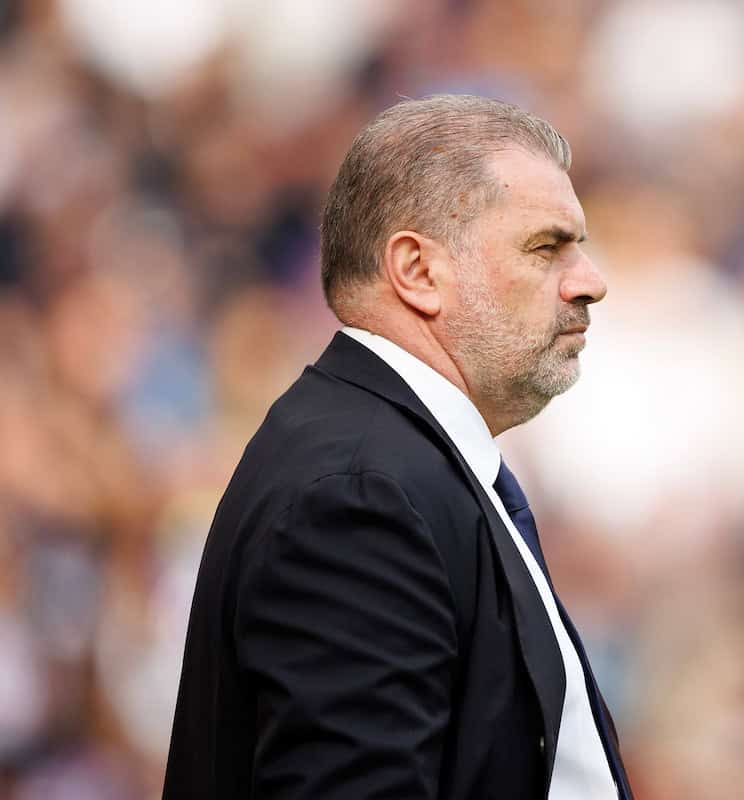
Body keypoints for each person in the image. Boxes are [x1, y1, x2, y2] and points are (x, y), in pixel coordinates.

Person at [163, 95, 632, 800]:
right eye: (546, 247)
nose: (589, 282)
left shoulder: (398, 463)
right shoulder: (359, 494)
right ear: (417, 271)